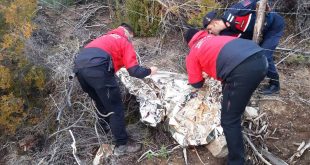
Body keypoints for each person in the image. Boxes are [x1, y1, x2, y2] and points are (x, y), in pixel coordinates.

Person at [184, 28, 268, 165]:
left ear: (189, 42)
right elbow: (222, 58)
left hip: (242, 70)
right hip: (261, 59)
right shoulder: (216, 38)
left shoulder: (194, 52)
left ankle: (237, 162)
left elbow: (196, 83)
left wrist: (202, 74)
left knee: (229, 120)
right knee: (232, 96)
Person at [73, 23, 158, 155]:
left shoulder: (104, 39)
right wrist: (150, 71)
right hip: (98, 69)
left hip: (79, 69)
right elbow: (134, 71)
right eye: (132, 38)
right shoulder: (124, 41)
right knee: (115, 109)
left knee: (100, 103)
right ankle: (122, 145)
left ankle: (105, 131)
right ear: (129, 33)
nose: (132, 41)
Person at [202, 0, 285, 95]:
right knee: (254, 57)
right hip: (257, 35)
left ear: (215, 23)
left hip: (273, 27)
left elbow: (254, 1)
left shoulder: (235, 11)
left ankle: (275, 85)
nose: (210, 32)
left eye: (209, 29)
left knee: (265, 55)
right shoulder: (224, 35)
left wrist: (266, 5)